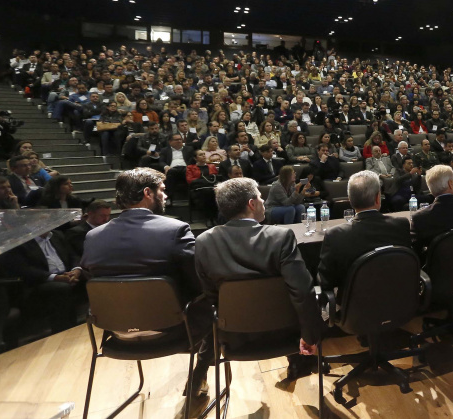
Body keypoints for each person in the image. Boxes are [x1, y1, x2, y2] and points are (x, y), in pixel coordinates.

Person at [79, 168, 211, 399]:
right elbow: (199, 281)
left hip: (116, 332)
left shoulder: (93, 236)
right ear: (148, 192)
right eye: (163, 190)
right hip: (173, 332)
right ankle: (199, 376)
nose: (166, 196)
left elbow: (95, 282)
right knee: (214, 303)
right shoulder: (174, 230)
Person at [195, 178, 322, 378]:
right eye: (261, 198)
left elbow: (211, 296)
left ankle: (198, 377)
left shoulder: (203, 242)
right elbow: (302, 291)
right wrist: (309, 336)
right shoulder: (280, 237)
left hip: (233, 337)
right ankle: (300, 365)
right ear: (252, 204)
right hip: (285, 334)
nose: (263, 202)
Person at [317, 171, 411, 295]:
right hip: (398, 299)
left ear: (350, 200)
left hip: (355, 309)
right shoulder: (401, 225)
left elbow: (326, 282)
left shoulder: (335, 234)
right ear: (378, 198)